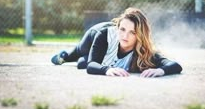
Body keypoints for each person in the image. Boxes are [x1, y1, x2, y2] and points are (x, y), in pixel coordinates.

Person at [51, 7, 182, 77]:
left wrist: (161, 70)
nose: (125, 35)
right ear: (118, 27)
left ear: (140, 36)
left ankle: (83, 59)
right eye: (123, 29)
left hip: (104, 55)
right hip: (95, 35)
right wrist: (106, 70)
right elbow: (92, 66)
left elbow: (175, 65)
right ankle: (65, 56)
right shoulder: (104, 35)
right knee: (80, 52)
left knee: (82, 64)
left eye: (133, 32)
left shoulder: (144, 51)